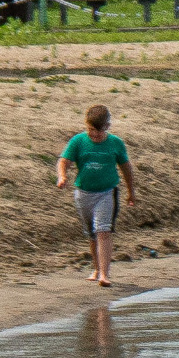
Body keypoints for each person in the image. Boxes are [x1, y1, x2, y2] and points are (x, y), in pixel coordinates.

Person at [53, 102, 138, 286]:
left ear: (107, 127)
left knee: (103, 230)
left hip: (107, 193)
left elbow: (126, 169)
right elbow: (63, 161)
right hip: (83, 193)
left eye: (99, 131)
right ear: (86, 125)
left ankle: (104, 275)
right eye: (91, 130)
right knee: (92, 233)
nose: (95, 135)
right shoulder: (78, 141)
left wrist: (131, 192)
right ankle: (97, 268)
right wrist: (62, 176)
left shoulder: (115, 143)